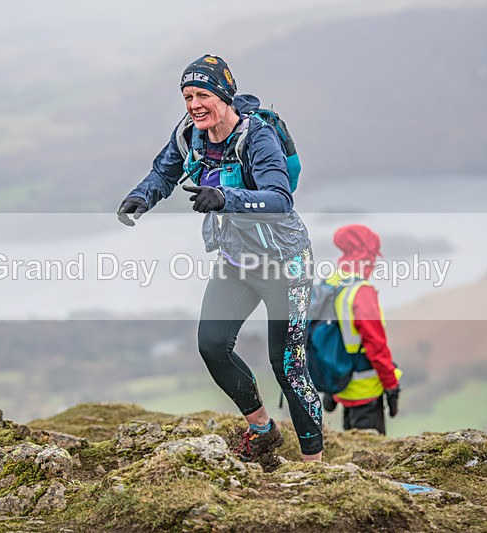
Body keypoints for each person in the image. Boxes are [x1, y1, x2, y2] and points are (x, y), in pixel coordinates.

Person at [116, 54, 323, 462]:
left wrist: (228, 197)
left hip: (286, 265)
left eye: (203, 94)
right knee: (212, 345)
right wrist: (141, 197)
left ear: (224, 94)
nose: (194, 104)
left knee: (287, 365)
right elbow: (164, 172)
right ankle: (263, 430)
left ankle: (315, 467)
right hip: (236, 262)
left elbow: (280, 199)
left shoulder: (257, 137)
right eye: (187, 95)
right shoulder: (189, 132)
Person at [321, 224, 402, 435]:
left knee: (350, 448)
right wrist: (392, 386)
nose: (375, 262)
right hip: (364, 392)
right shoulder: (361, 291)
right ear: (367, 255)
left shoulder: (330, 281)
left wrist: (328, 385)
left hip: (339, 384)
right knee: (368, 458)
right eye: (374, 256)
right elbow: (376, 345)